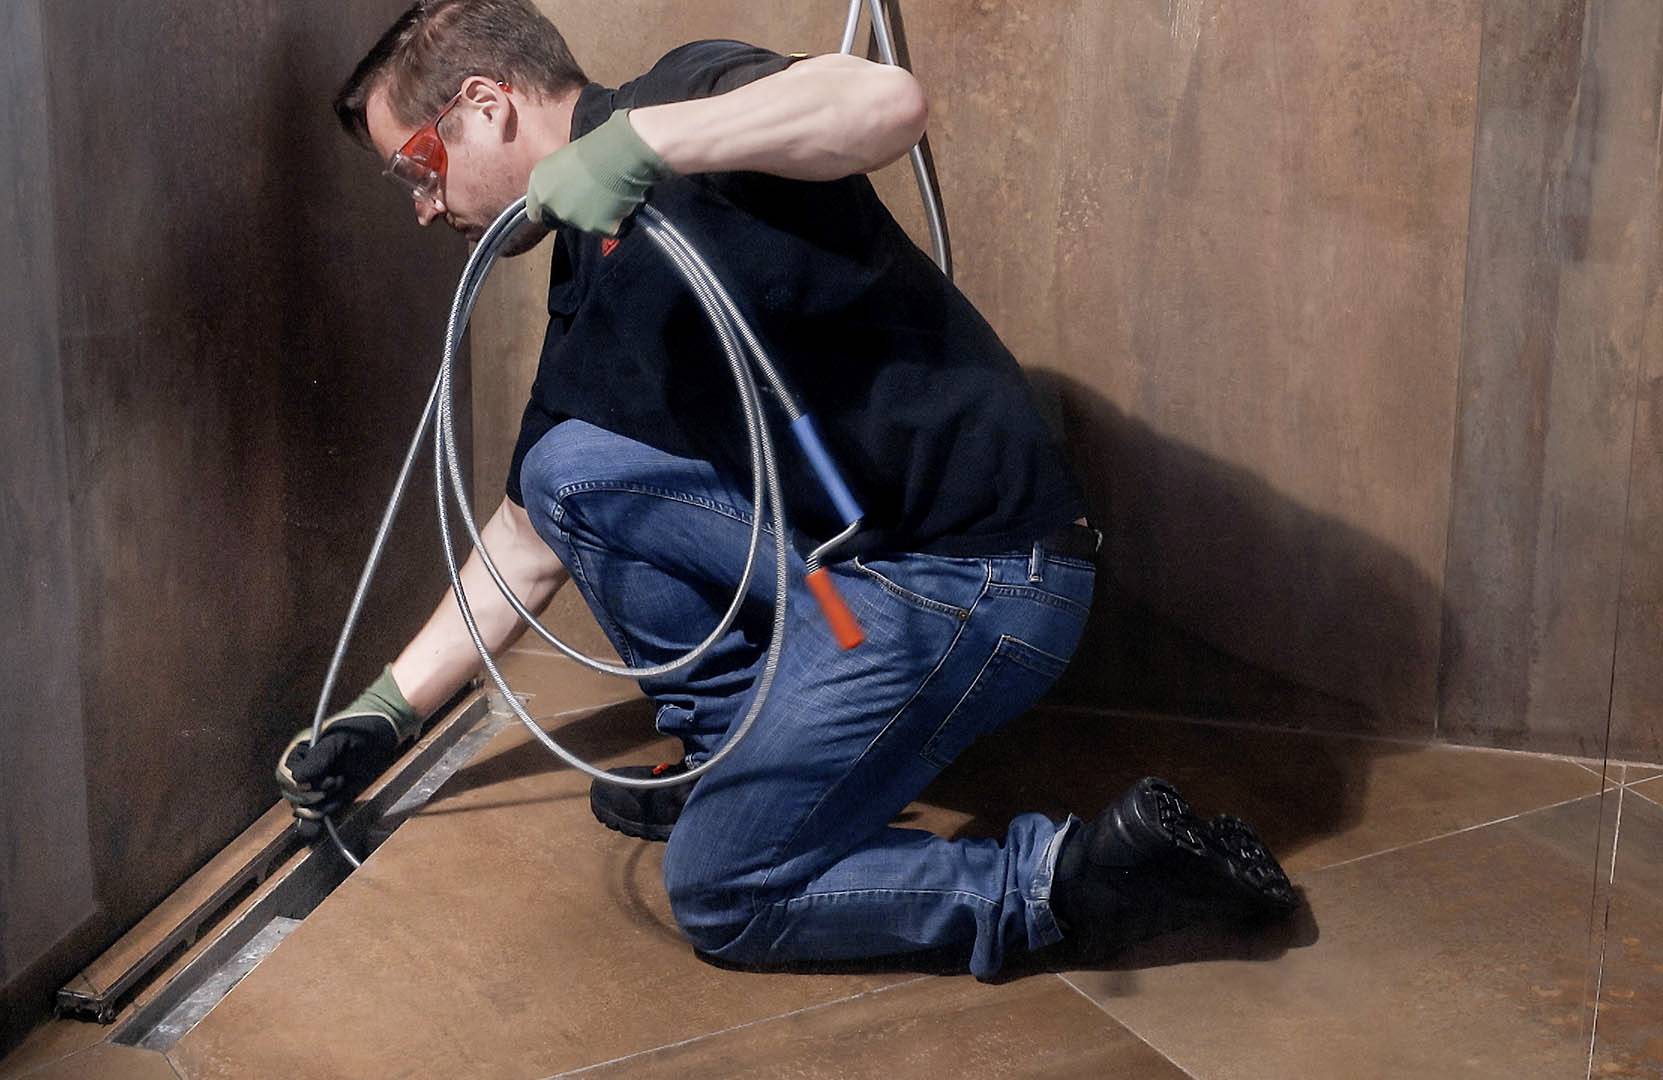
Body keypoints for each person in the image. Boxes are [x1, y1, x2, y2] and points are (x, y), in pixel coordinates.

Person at [276, 0, 1298, 977]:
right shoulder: (589, 260)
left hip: (974, 576)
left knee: (723, 891)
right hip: (845, 573)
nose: (421, 206)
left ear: (485, 106)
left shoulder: (685, 100)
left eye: (415, 166)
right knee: (565, 471)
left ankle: (1070, 884)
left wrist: (643, 142)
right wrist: (380, 716)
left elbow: (882, 106)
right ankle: (740, 759)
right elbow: (530, 535)